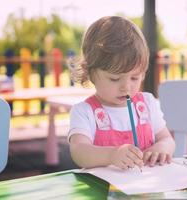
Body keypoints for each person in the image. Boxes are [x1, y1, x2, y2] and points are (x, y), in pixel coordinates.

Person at [68, 16, 175, 170]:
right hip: (103, 190)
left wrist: (162, 148)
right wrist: (112, 155)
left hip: (145, 189)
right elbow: (79, 151)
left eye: (134, 77)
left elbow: (167, 139)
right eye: (115, 78)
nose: (126, 87)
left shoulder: (147, 104)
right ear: (90, 73)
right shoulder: (84, 112)